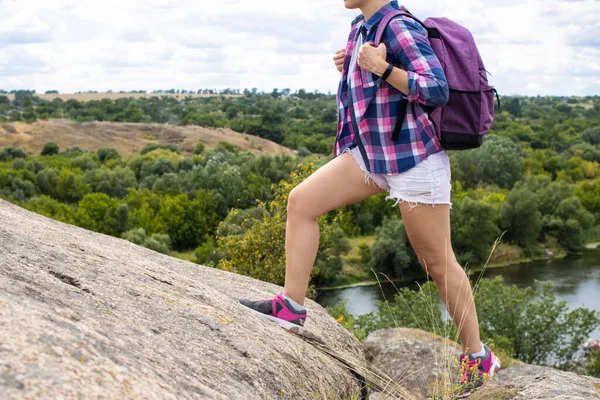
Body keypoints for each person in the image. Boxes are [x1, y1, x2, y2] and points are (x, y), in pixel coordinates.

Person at [239, 0, 500, 395]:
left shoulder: (398, 26)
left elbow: (436, 89)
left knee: (437, 263)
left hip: (414, 161)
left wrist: (382, 68)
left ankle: (478, 356)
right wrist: (353, 67)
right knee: (301, 203)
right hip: (372, 154)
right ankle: (291, 307)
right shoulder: (361, 27)